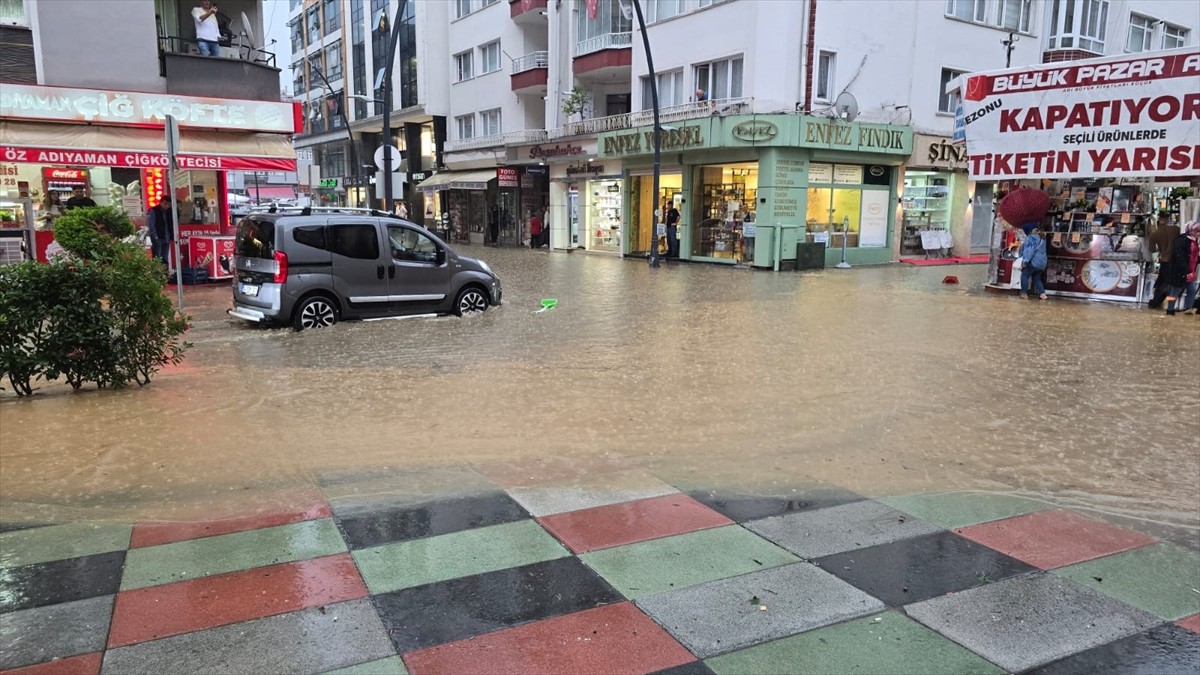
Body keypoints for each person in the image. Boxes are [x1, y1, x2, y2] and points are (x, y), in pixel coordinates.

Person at [1163, 220, 1200, 316]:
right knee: (1176, 291)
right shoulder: (1181, 241)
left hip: (1190, 271)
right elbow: (1179, 257)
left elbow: (1194, 256)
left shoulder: (1193, 241)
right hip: (1180, 272)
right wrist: (1185, 270)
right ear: (1190, 230)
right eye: (1197, 231)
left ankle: (1188, 309)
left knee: (1191, 290)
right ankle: (1170, 310)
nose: (1198, 233)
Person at [1148, 215, 1180, 308]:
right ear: (1168, 220)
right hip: (1176, 260)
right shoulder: (1176, 229)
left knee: (1162, 282)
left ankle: (1156, 301)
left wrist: (1161, 249)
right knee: (1170, 283)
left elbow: (1152, 249)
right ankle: (1169, 304)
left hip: (1165, 260)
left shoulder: (1154, 234)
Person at [1018, 225, 1047, 300]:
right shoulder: (1042, 238)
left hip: (1033, 262)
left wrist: (1025, 261)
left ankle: (1024, 293)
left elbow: (1029, 251)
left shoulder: (1031, 238)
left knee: (1024, 276)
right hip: (1042, 263)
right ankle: (1043, 294)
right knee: (1037, 278)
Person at [146, 199, 175, 272]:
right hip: (158, 237)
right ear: (161, 202)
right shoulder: (154, 210)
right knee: (157, 257)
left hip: (166, 237)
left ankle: (164, 274)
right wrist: (154, 235)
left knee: (164, 258)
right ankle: (157, 274)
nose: (167, 206)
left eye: (168, 204)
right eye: (165, 204)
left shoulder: (169, 211)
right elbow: (152, 224)